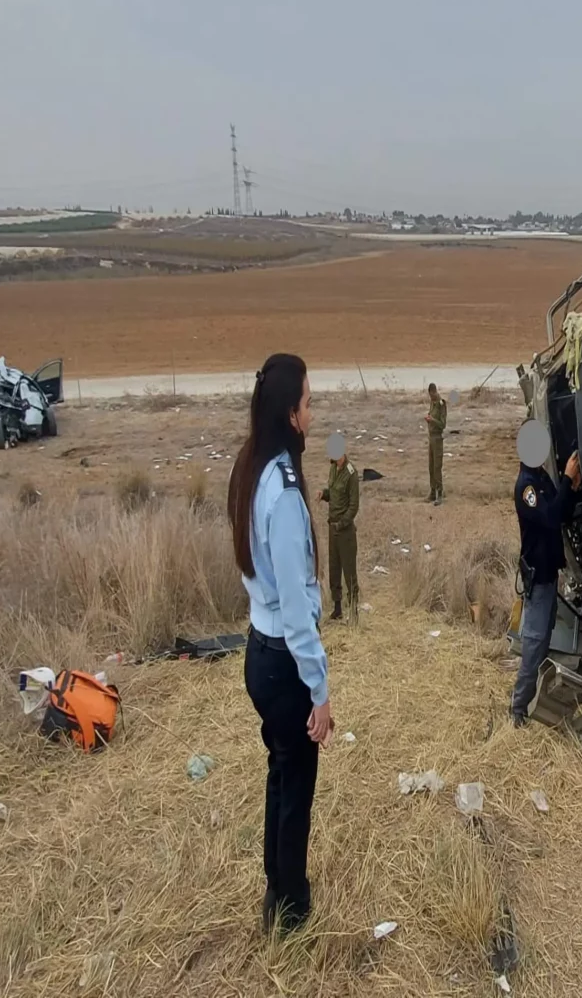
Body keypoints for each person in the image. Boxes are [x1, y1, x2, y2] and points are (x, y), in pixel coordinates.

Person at [227, 353, 333, 935]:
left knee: (282, 771)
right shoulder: (286, 493)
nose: (313, 413)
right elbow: (298, 614)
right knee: (296, 788)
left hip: (259, 654)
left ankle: (276, 887)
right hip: (283, 663)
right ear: (292, 415)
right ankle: (290, 908)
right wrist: (320, 692)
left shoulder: (252, 468)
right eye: (309, 403)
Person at [510, 446, 581, 726]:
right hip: (538, 577)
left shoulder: (540, 479)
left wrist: (572, 488)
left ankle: (531, 701)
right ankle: (517, 709)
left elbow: (560, 512)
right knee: (534, 643)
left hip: (549, 573)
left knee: (543, 640)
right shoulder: (526, 487)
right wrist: (565, 479)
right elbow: (550, 517)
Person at [320, 448, 360, 622]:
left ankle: (353, 611)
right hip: (332, 527)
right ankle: (337, 608)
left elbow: (354, 505)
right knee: (334, 568)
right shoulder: (333, 469)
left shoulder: (351, 474)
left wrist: (343, 523)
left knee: (349, 570)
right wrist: (324, 494)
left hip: (345, 530)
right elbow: (334, 494)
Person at [424, 383, 447, 504]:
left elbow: (443, 424)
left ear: (434, 392)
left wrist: (432, 420)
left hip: (438, 439)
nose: (431, 397)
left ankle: (440, 493)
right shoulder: (432, 403)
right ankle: (432, 492)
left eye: (432, 395)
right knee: (431, 467)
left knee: (437, 468)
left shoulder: (441, 404)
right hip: (431, 438)